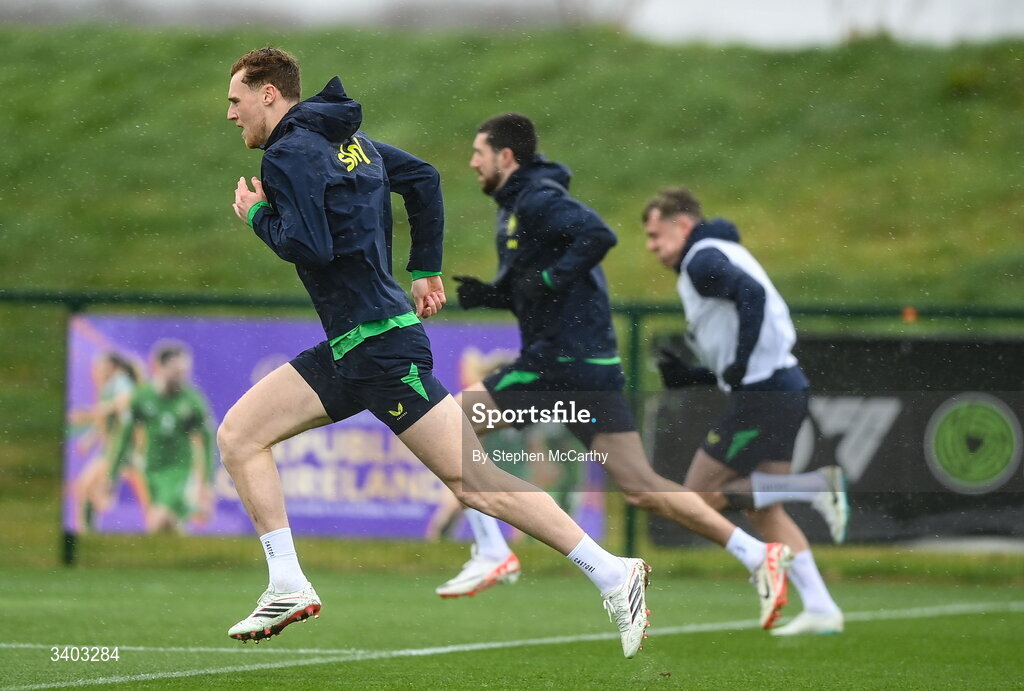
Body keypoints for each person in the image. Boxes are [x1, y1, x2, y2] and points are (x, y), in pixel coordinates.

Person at [222, 48, 651, 658]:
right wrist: (424, 269)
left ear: (270, 94)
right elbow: (422, 178)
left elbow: (310, 246)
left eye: (236, 100)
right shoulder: (351, 143)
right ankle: (287, 582)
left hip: (380, 350)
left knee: (475, 481)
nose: (231, 114)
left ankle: (612, 572)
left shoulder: (288, 151)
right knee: (240, 435)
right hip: (355, 346)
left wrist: (259, 214)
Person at [440, 113, 792, 631]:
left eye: (479, 153)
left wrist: (550, 277)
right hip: (591, 367)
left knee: (444, 425)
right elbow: (540, 284)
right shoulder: (517, 207)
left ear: (506, 157)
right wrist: (494, 294)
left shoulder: (536, 197)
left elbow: (596, 235)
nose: (472, 162)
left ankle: (493, 550)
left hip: (558, 363)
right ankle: (753, 554)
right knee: (641, 486)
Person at [641, 186, 847, 636]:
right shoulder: (717, 251)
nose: (652, 247)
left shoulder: (700, 259)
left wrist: (736, 362)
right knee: (763, 509)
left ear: (683, 225)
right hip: (783, 385)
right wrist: (693, 375)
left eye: (656, 235)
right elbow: (741, 338)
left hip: (765, 393)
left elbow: (751, 296)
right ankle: (820, 606)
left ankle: (813, 486)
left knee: (694, 497)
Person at [109, 341, 216, 533]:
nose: (181, 376)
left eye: (185, 371)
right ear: (159, 366)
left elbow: (207, 440)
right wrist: (112, 473)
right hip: (151, 468)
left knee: (157, 520)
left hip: (180, 470)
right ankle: (188, 548)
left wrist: (206, 482)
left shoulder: (192, 400)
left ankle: (142, 560)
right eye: (176, 370)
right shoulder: (143, 397)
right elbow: (125, 436)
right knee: (169, 526)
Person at [67, 352, 142, 533]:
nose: (96, 370)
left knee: (89, 490)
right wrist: (89, 440)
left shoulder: (120, 380)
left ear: (112, 366)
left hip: (121, 447)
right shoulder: (108, 386)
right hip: (111, 447)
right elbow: (107, 422)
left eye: (101, 365)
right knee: (86, 490)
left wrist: (90, 414)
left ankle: (87, 532)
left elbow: (123, 402)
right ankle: (88, 531)